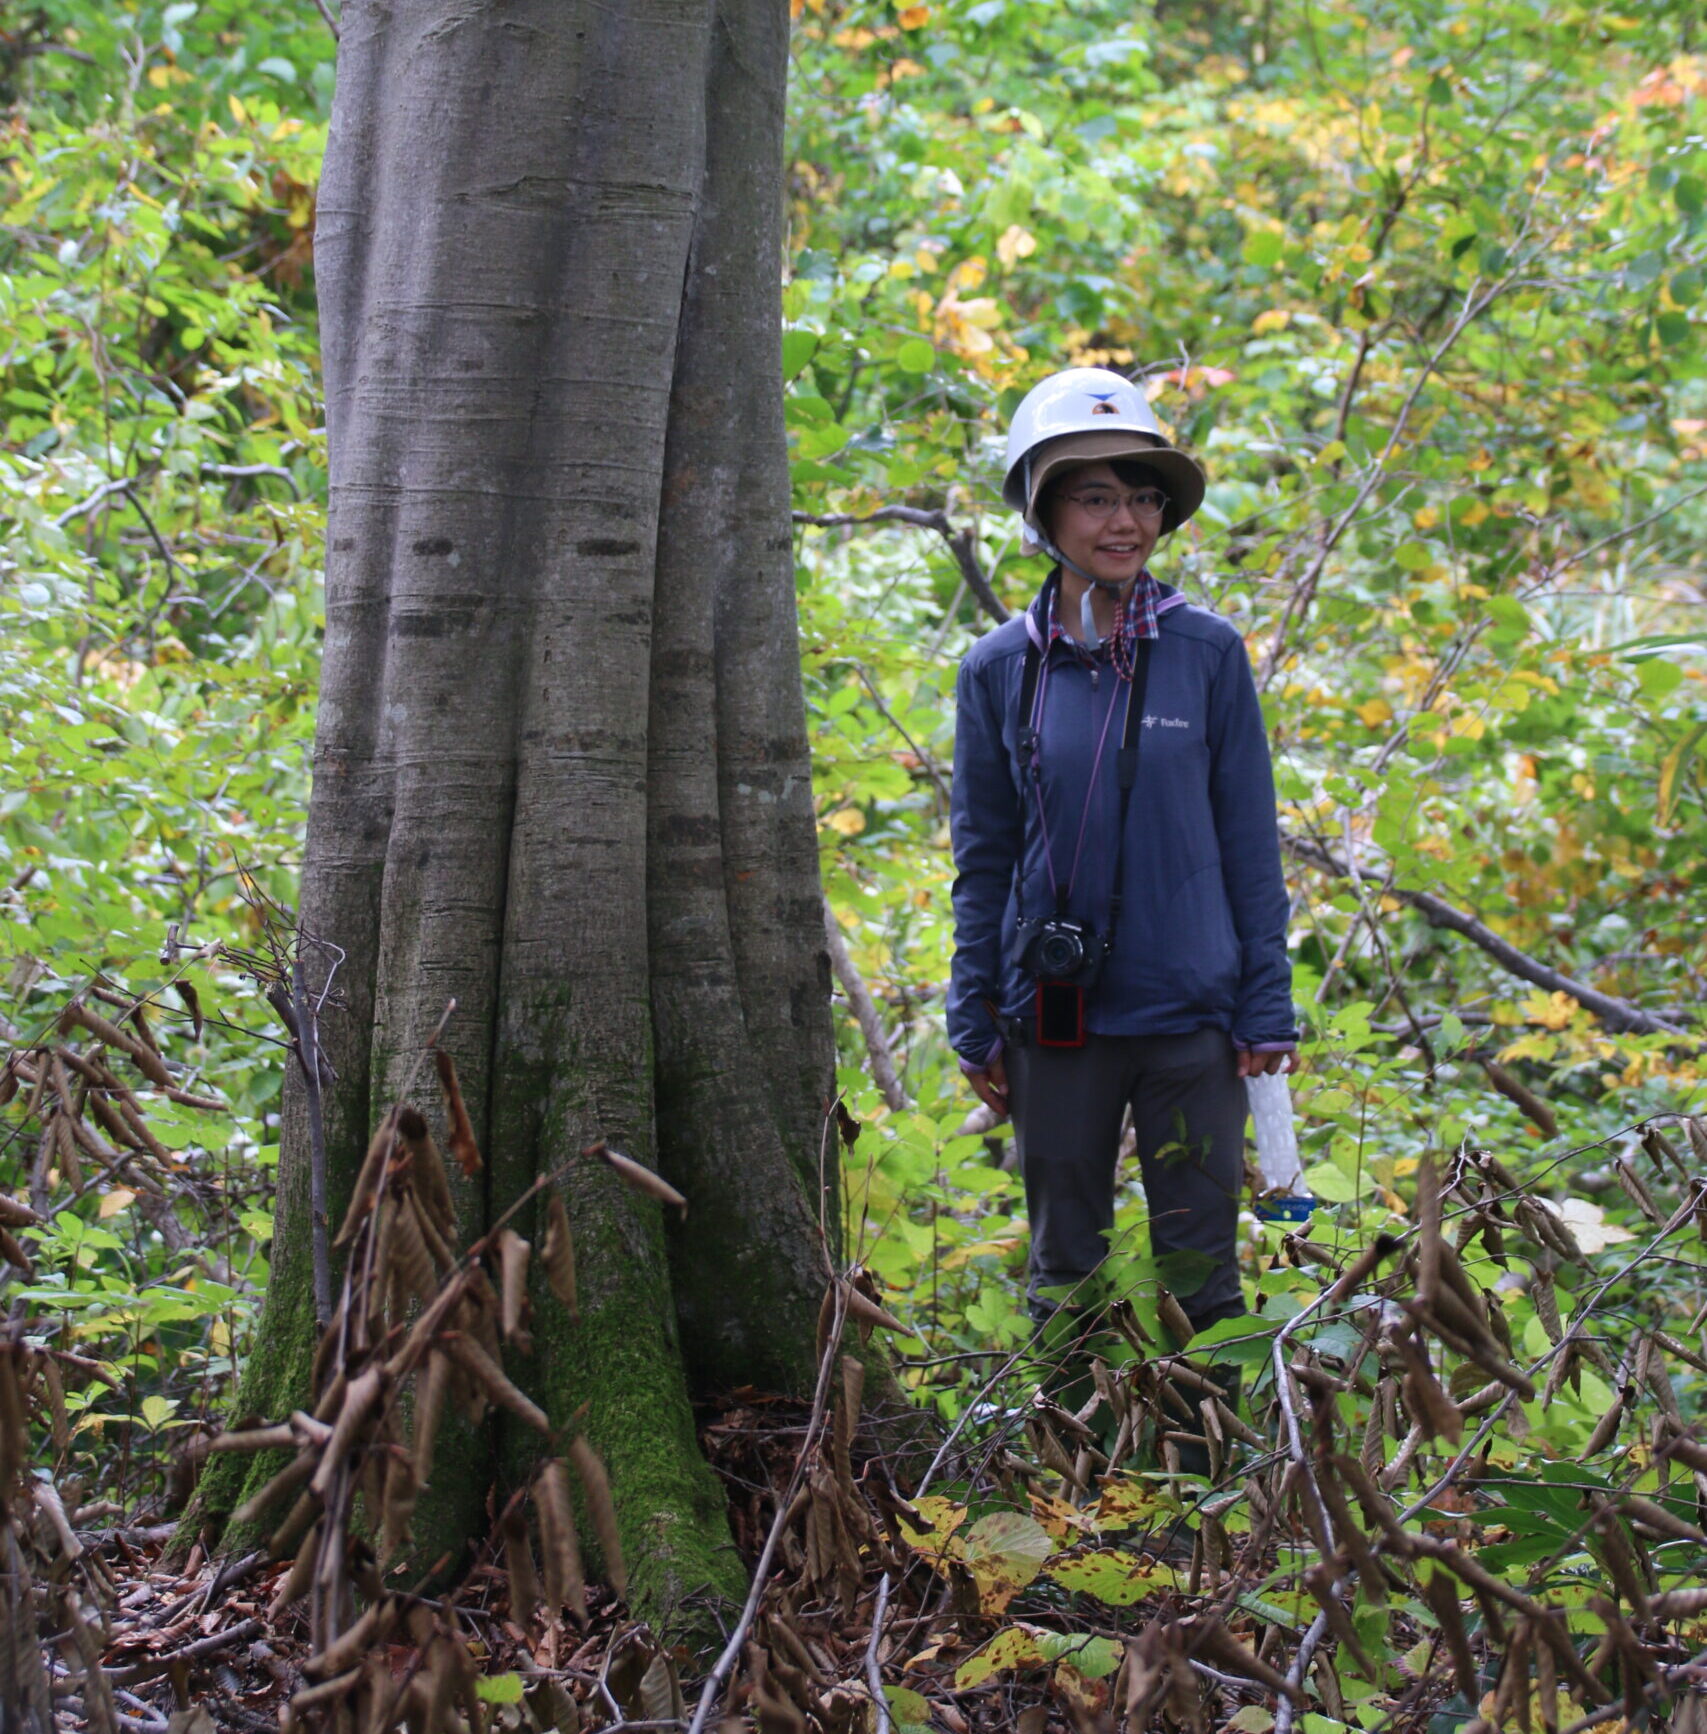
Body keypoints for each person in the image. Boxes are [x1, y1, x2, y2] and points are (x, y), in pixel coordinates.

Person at [947, 366, 1296, 1349]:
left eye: (1142, 495)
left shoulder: (1207, 654)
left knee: (1204, 1279)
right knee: (1066, 1276)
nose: (1125, 521)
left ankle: (1207, 1485)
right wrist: (972, 1007)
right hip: (1055, 1026)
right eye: (1095, 496)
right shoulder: (999, 669)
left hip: (1193, 1021)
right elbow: (985, 854)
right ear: (1041, 512)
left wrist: (1265, 1004)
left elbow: (1248, 844)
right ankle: (1078, 1483)